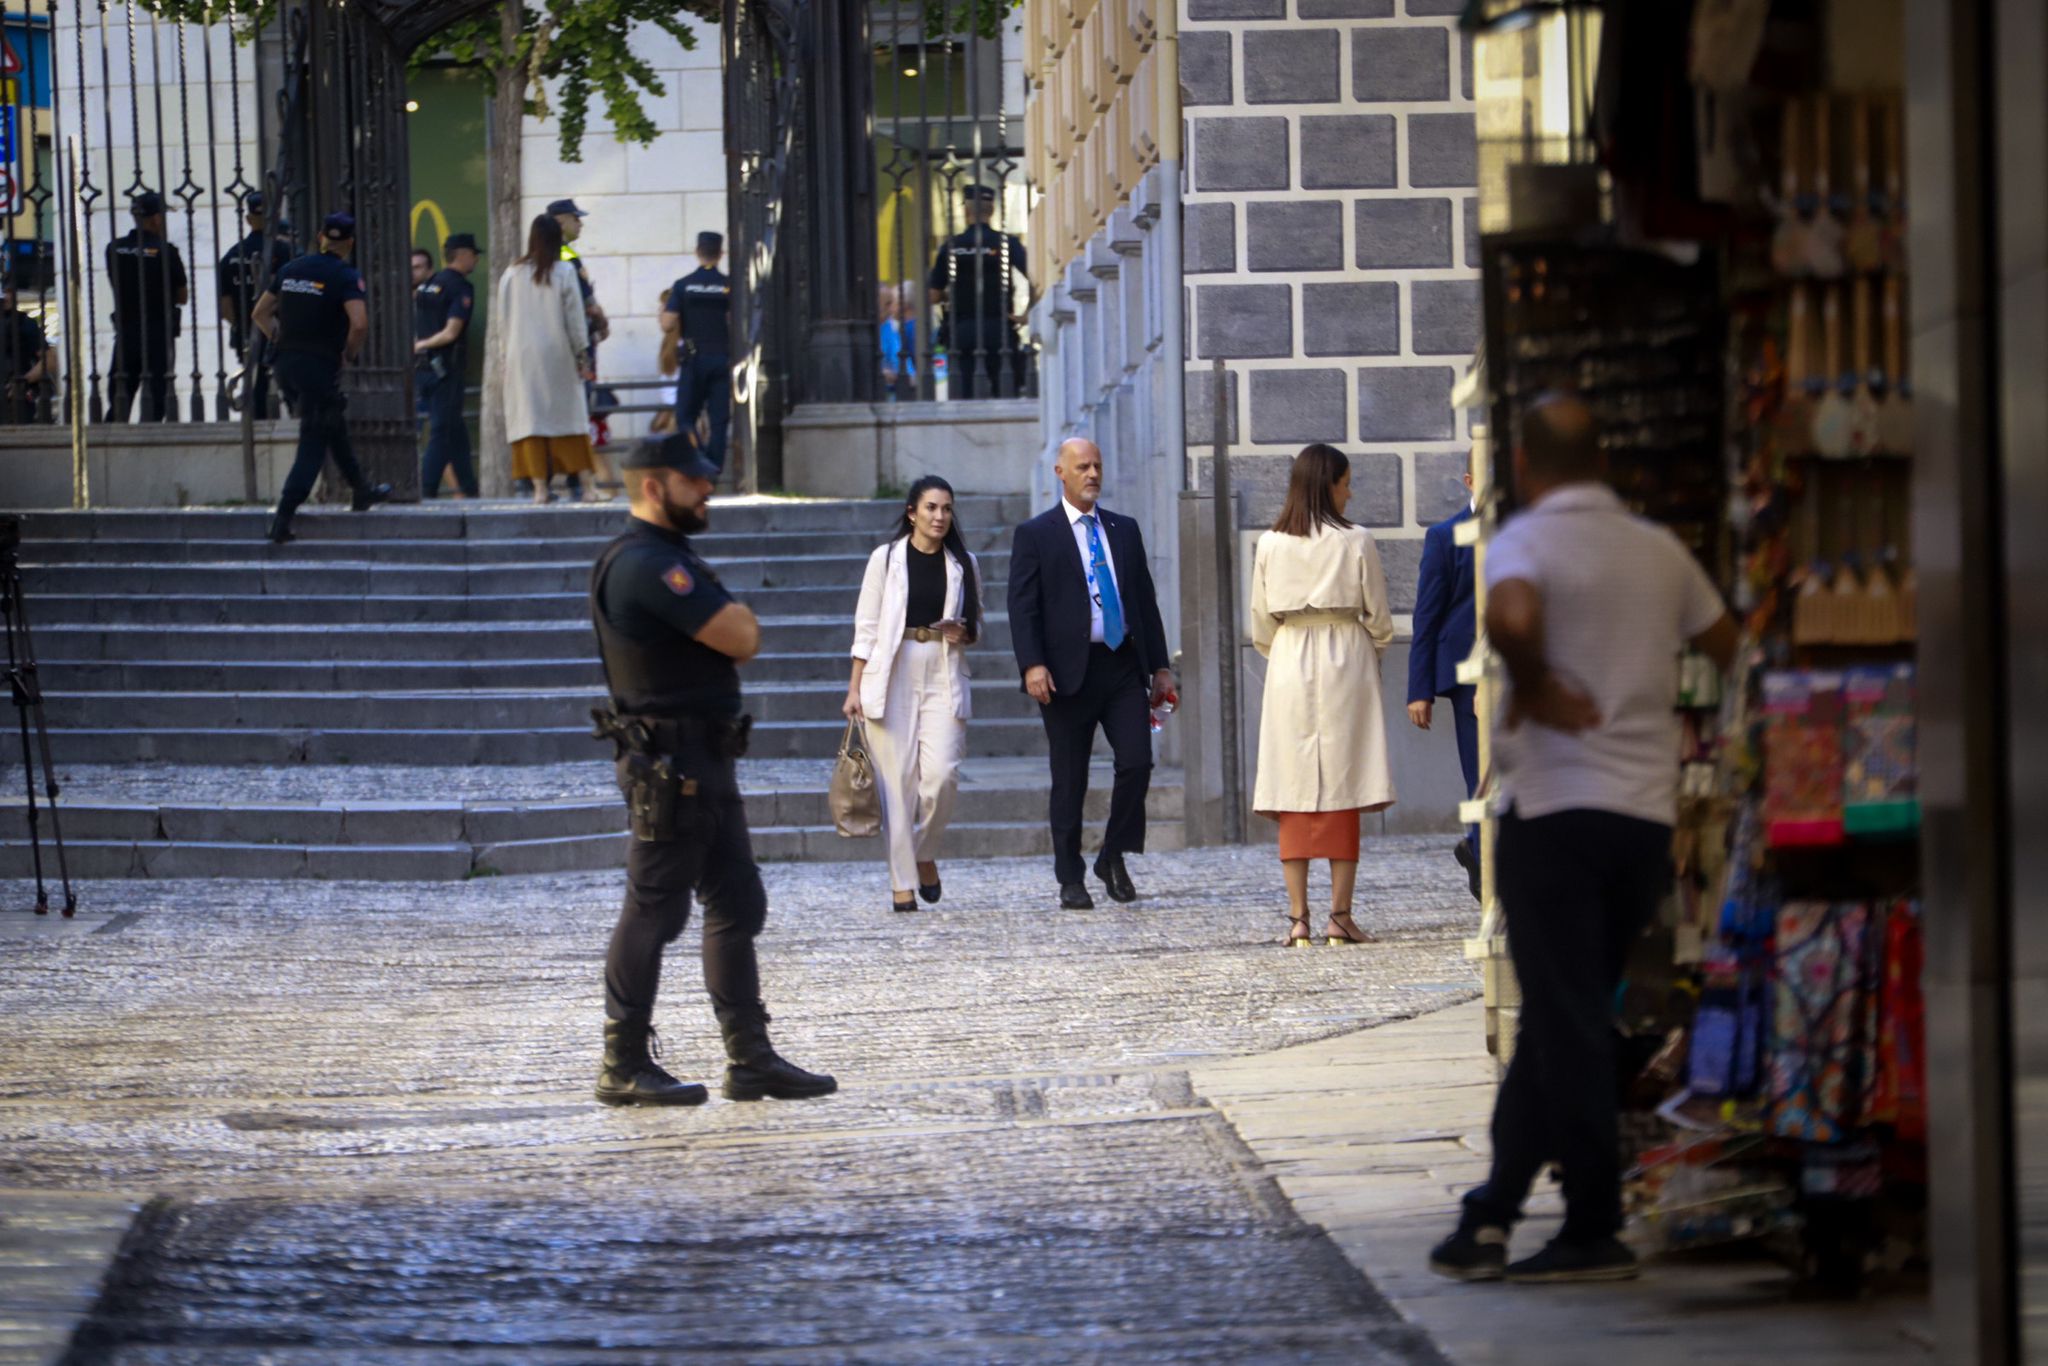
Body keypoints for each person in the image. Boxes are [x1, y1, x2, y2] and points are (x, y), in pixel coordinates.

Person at [1427, 392, 1737, 1286]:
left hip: (1556, 812)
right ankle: (1489, 1216)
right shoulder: (1657, 549)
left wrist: (1538, 681)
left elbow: (1513, 618)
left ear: (1524, 465)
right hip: (1642, 817)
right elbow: (1727, 642)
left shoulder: (1525, 542)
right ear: (1601, 459)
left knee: (1566, 1018)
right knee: (1566, 1014)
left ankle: (1593, 1221)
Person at [589, 431, 837, 1107]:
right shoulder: (645, 564)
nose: (707, 489)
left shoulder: (670, 555)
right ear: (651, 485)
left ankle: (751, 1060)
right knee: (653, 911)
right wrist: (734, 621)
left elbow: (736, 632)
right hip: (671, 765)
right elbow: (741, 636)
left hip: (705, 756)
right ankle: (622, 1063)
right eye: (693, 480)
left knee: (736, 902)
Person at [1008, 437, 1173, 910]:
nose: (1093, 474)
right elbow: (1023, 608)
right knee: (1070, 778)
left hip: (1122, 665)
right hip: (1065, 674)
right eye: (1083, 466)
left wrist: (1159, 667)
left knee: (1138, 762)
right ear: (1061, 472)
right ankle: (1070, 876)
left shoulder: (1124, 529)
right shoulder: (1036, 534)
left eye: (1097, 465)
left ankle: (1112, 855)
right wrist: (1032, 664)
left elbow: (1144, 601)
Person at [1250, 444, 1396, 949]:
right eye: (1345, 482)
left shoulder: (1270, 543)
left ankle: (1298, 918)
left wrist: (1289, 649)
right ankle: (1340, 914)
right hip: (1344, 655)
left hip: (1290, 655)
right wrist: (1365, 650)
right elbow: (1378, 616)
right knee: (1343, 782)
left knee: (1293, 785)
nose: (1350, 491)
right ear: (1328, 485)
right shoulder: (1355, 541)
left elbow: (1261, 623)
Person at [844, 476, 984, 913]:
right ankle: (902, 882)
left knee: (942, 775)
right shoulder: (885, 560)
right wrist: (854, 688)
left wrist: (965, 631)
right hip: (893, 668)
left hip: (943, 669)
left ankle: (924, 851)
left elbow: (978, 625)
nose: (939, 516)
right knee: (897, 782)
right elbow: (865, 628)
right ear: (912, 513)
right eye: (931, 508)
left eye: (946, 509)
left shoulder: (964, 563)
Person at [250, 211, 393, 544]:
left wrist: (278, 338)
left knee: (329, 420)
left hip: (285, 365)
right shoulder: (345, 275)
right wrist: (349, 353)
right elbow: (359, 323)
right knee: (314, 439)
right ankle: (283, 517)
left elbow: (259, 313)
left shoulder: (291, 269)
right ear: (351, 243)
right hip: (319, 365)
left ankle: (361, 490)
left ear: (319, 237)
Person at [1407, 456, 1482, 901]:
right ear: (1469, 480)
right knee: (1479, 775)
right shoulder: (1445, 536)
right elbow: (1427, 615)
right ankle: (1480, 852)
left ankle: (1485, 852)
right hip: (1466, 674)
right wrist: (1420, 690)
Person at [498, 213, 594, 504]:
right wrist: (582, 352)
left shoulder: (511, 274)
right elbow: (575, 319)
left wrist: (506, 357)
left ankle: (539, 489)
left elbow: (502, 320)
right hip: (558, 353)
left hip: (520, 356)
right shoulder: (564, 272)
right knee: (570, 417)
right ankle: (588, 488)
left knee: (531, 420)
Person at [929, 184, 1027, 399]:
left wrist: (951, 294)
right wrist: (1027, 313)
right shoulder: (1006, 243)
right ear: (992, 210)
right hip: (999, 328)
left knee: (964, 393)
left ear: (965, 210)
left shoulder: (952, 246)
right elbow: (1037, 278)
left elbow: (933, 295)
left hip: (962, 329)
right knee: (1006, 392)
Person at [105, 190, 187, 422]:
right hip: (158, 333)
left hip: (126, 332)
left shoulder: (114, 249)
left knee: (119, 399)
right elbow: (182, 295)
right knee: (156, 401)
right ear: (156, 218)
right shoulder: (166, 251)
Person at [413, 232, 482, 499]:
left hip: (425, 371)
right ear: (462, 255)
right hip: (445, 371)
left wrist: (420, 346)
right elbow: (452, 332)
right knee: (442, 432)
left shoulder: (429, 285)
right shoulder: (460, 287)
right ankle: (426, 490)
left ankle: (469, 488)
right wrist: (425, 344)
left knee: (456, 431)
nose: (475, 259)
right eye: (473, 254)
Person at [660, 230, 730, 474]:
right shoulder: (728, 286)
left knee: (685, 416)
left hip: (693, 353)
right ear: (721, 254)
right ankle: (715, 467)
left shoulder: (683, 285)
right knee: (719, 420)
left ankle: (699, 458)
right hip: (722, 355)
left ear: (697, 252)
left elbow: (668, 323)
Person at [217, 192, 291, 418]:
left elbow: (225, 307)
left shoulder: (232, 255)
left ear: (249, 219)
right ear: (274, 217)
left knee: (256, 386)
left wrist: (242, 324)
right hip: (282, 330)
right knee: (289, 384)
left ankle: (258, 423)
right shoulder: (286, 252)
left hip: (247, 334)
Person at [0, 279, 56, 423]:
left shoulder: (24, 322)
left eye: (9, 292)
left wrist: (23, 381)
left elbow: (49, 361)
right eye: (4, 292)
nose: (6, 297)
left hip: (16, 396)